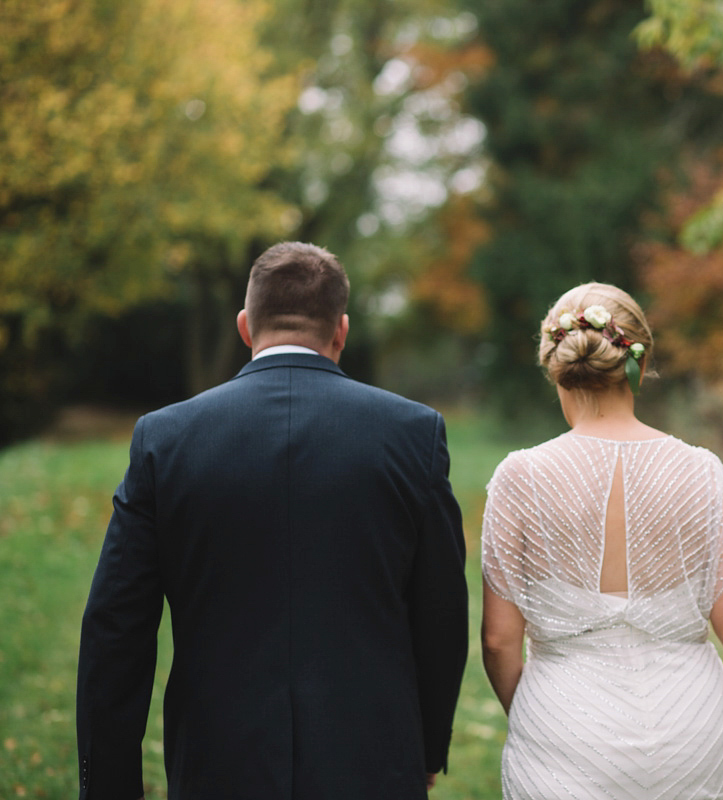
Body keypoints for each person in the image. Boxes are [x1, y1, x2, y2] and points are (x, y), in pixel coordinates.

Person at [76, 242, 469, 800]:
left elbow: (116, 629)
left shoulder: (165, 439)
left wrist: (108, 788)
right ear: (342, 330)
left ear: (244, 326)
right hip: (372, 762)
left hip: (218, 762)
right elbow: (441, 611)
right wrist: (427, 747)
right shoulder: (413, 433)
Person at [480, 282, 723, 799]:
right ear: (638, 363)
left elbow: (500, 640)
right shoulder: (702, 472)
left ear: (557, 365)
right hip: (688, 728)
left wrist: (536, 714)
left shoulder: (519, 477)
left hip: (564, 721)